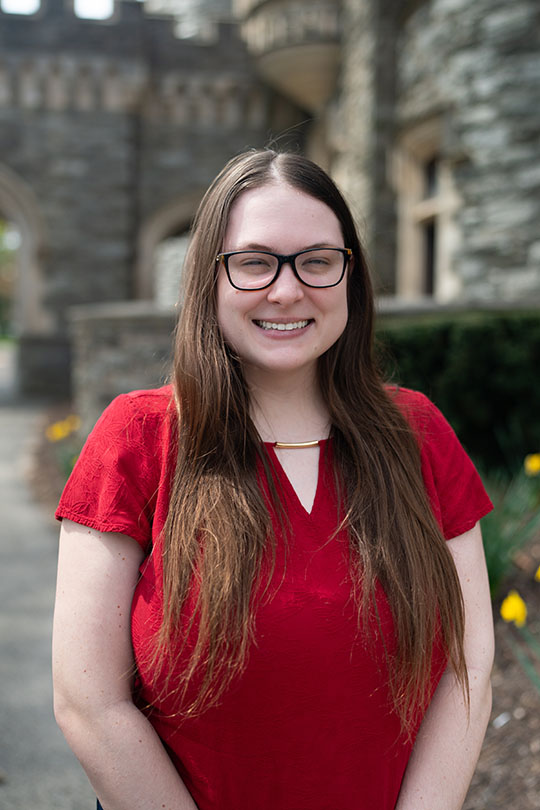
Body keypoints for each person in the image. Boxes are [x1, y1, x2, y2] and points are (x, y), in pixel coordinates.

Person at [52, 148, 494, 810]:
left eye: (317, 261)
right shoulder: (139, 439)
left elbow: (470, 668)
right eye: (254, 261)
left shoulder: (417, 434)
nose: (287, 290)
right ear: (211, 278)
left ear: (351, 275)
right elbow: (89, 704)